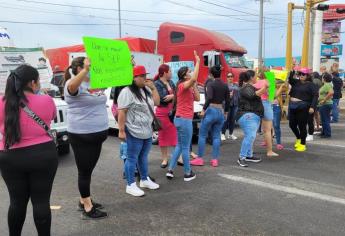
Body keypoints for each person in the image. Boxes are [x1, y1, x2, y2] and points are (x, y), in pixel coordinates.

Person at [0, 65, 58, 235]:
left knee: (16, 202)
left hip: (10, 156)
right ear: (33, 83)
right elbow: (52, 117)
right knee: (41, 202)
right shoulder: (46, 100)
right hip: (43, 155)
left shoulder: (3, 102)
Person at [64, 57, 108, 219]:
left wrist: (124, 68)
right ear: (78, 69)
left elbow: (113, 79)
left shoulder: (93, 83)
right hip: (81, 135)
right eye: (86, 67)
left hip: (98, 134)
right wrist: (85, 70)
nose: (90, 69)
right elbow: (73, 87)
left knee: (88, 170)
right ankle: (87, 206)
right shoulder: (72, 84)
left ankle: (84, 199)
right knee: (84, 172)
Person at [117, 65, 160, 197]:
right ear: (134, 78)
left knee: (143, 156)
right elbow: (122, 112)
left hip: (147, 130)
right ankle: (130, 185)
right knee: (131, 158)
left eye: (145, 76)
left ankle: (144, 179)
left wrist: (153, 88)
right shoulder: (126, 92)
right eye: (142, 76)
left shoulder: (146, 90)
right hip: (133, 131)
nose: (144, 78)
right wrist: (121, 130)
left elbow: (157, 102)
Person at [166, 51, 200, 181]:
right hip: (184, 120)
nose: (191, 72)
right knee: (185, 147)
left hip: (181, 119)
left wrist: (194, 85)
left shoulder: (188, 86)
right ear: (185, 76)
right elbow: (194, 78)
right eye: (189, 71)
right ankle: (187, 173)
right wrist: (198, 62)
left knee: (180, 146)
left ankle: (170, 170)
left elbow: (197, 98)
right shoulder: (181, 86)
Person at [190, 65, 230, 167]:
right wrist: (225, 112)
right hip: (220, 111)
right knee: (216, 136)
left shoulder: (211, 84)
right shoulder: (225, 85)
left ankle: (200, 159)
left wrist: (203, 110)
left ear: (211, 74)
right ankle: (215, 160)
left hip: (211, 110)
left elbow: (209, 97)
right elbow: (228, 100)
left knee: (202, 135)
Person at [236, 71, 266, 167]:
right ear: (251, 77)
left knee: (250, 136)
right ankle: (242, 157)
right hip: (248, 115)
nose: (257, 77)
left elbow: (258, 93)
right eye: (256, 76)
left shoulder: (249, 87)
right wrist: (265, 87)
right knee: (250, 136)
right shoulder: (246, 87)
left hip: (251, 115)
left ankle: (248, 155)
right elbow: (253, 95)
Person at [288, 68, 318, 152]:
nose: (301, 76)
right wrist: (292, 72)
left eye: (303, 74)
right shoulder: (296, 82)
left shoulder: (311, 85)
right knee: (292, 124)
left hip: (304, 107)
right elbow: (290, 79)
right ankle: (299, 138)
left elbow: (315, 96)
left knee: (302, 126)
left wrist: (312, 107)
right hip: (293, 106)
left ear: (307, 76)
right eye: (300, 74)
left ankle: (303, 143)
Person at [154, 64, 177, 168]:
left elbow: (176, 94)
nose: (171, 73)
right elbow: (163, 98)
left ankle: (178, 157)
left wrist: (172, 95)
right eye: (170, 71)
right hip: (161, 113)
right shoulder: (157, 83)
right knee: (162, 136)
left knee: (174, 135)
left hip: (171, 112)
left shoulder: (171, 82)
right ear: (164, 73)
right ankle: (164, 159)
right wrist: (172, 95)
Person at [253, 70, 279, 157]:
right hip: (266, 105)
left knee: (253, 130)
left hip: (255, 105)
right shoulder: (269, 82)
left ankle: (250, 150)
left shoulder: (255, 83)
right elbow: (272, 96)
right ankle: (269, 151)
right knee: (267, 130)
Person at [221, 72, 240, 141]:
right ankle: (222, 134)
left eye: (231, 76)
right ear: (226, 78)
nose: (230, 78)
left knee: (232, 120)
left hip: (235, 104)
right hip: (227, 104)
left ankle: (231, 134)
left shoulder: (236, 85)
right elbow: (222, 96)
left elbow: (239, 95)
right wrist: (229, 96)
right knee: (226, 119)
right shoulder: (224, 85)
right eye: (228, 76)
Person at [318, 72, 334, 138]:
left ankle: (327, 133)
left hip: (325, 104)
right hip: (325, 104)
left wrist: (324, 100)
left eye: (322, 77)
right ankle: (324, 132)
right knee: (324, 119)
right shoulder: (327, 85)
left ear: (324, 78)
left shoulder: (327, 85)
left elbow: (331, 93)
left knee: (325, 119)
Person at [272, 82, 286, 150]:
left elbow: (286, 88)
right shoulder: (265, 86)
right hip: (267, 107)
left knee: (276, 125)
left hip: (276, 107)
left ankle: (278, 143)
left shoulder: (278, 86)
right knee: (267, 126)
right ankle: (268, 140)